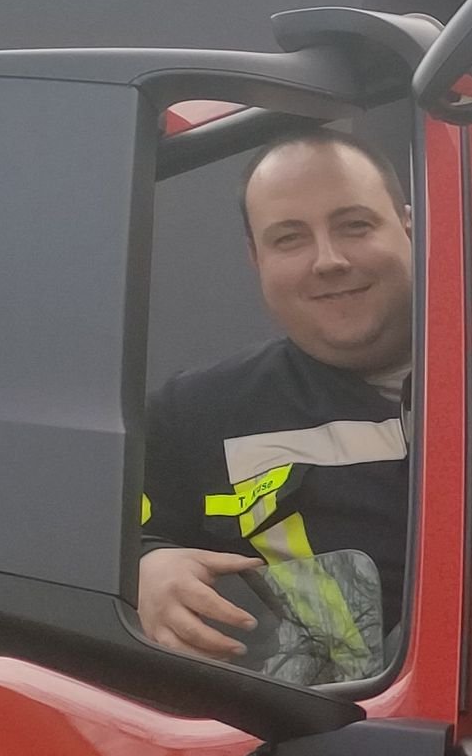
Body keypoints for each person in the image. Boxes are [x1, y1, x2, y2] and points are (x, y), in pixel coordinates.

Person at [137, 126, 420, 677]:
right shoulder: (201, 415)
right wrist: (147, 566)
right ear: (255, 257)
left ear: (410, 223)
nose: (328, 260)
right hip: (344, 744)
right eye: (290, 238)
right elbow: (100, 541)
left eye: (355, 225)